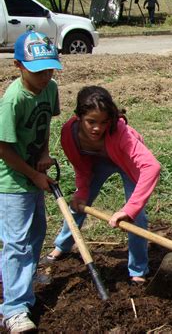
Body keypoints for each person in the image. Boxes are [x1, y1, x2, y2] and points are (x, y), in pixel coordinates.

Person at [45, 86, 161, 285]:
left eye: (104, 122)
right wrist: (82, 191)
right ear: (79, 117)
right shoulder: (69, 134)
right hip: (97, 163)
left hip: (127, 164)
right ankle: (63, 245)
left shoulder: (120, 133)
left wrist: (130, 209)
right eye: (91, 121)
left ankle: (138, 268)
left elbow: (151, 166)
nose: (97, 128)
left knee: (137, 217)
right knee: (80, 203)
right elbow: (80, 166)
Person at [0, 30, 62, 332]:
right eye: (37, 71)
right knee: (17, 243)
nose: (45, 76)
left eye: (49, 68)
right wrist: (34, 174)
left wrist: (45, 153)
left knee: (37, 231)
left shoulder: (50, 88)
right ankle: (13, 309)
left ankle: (27, 276)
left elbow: (46, 123)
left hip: (33, 174)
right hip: (12, 181)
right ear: (18, 65)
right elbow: (1, 147)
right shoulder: (13, 99)